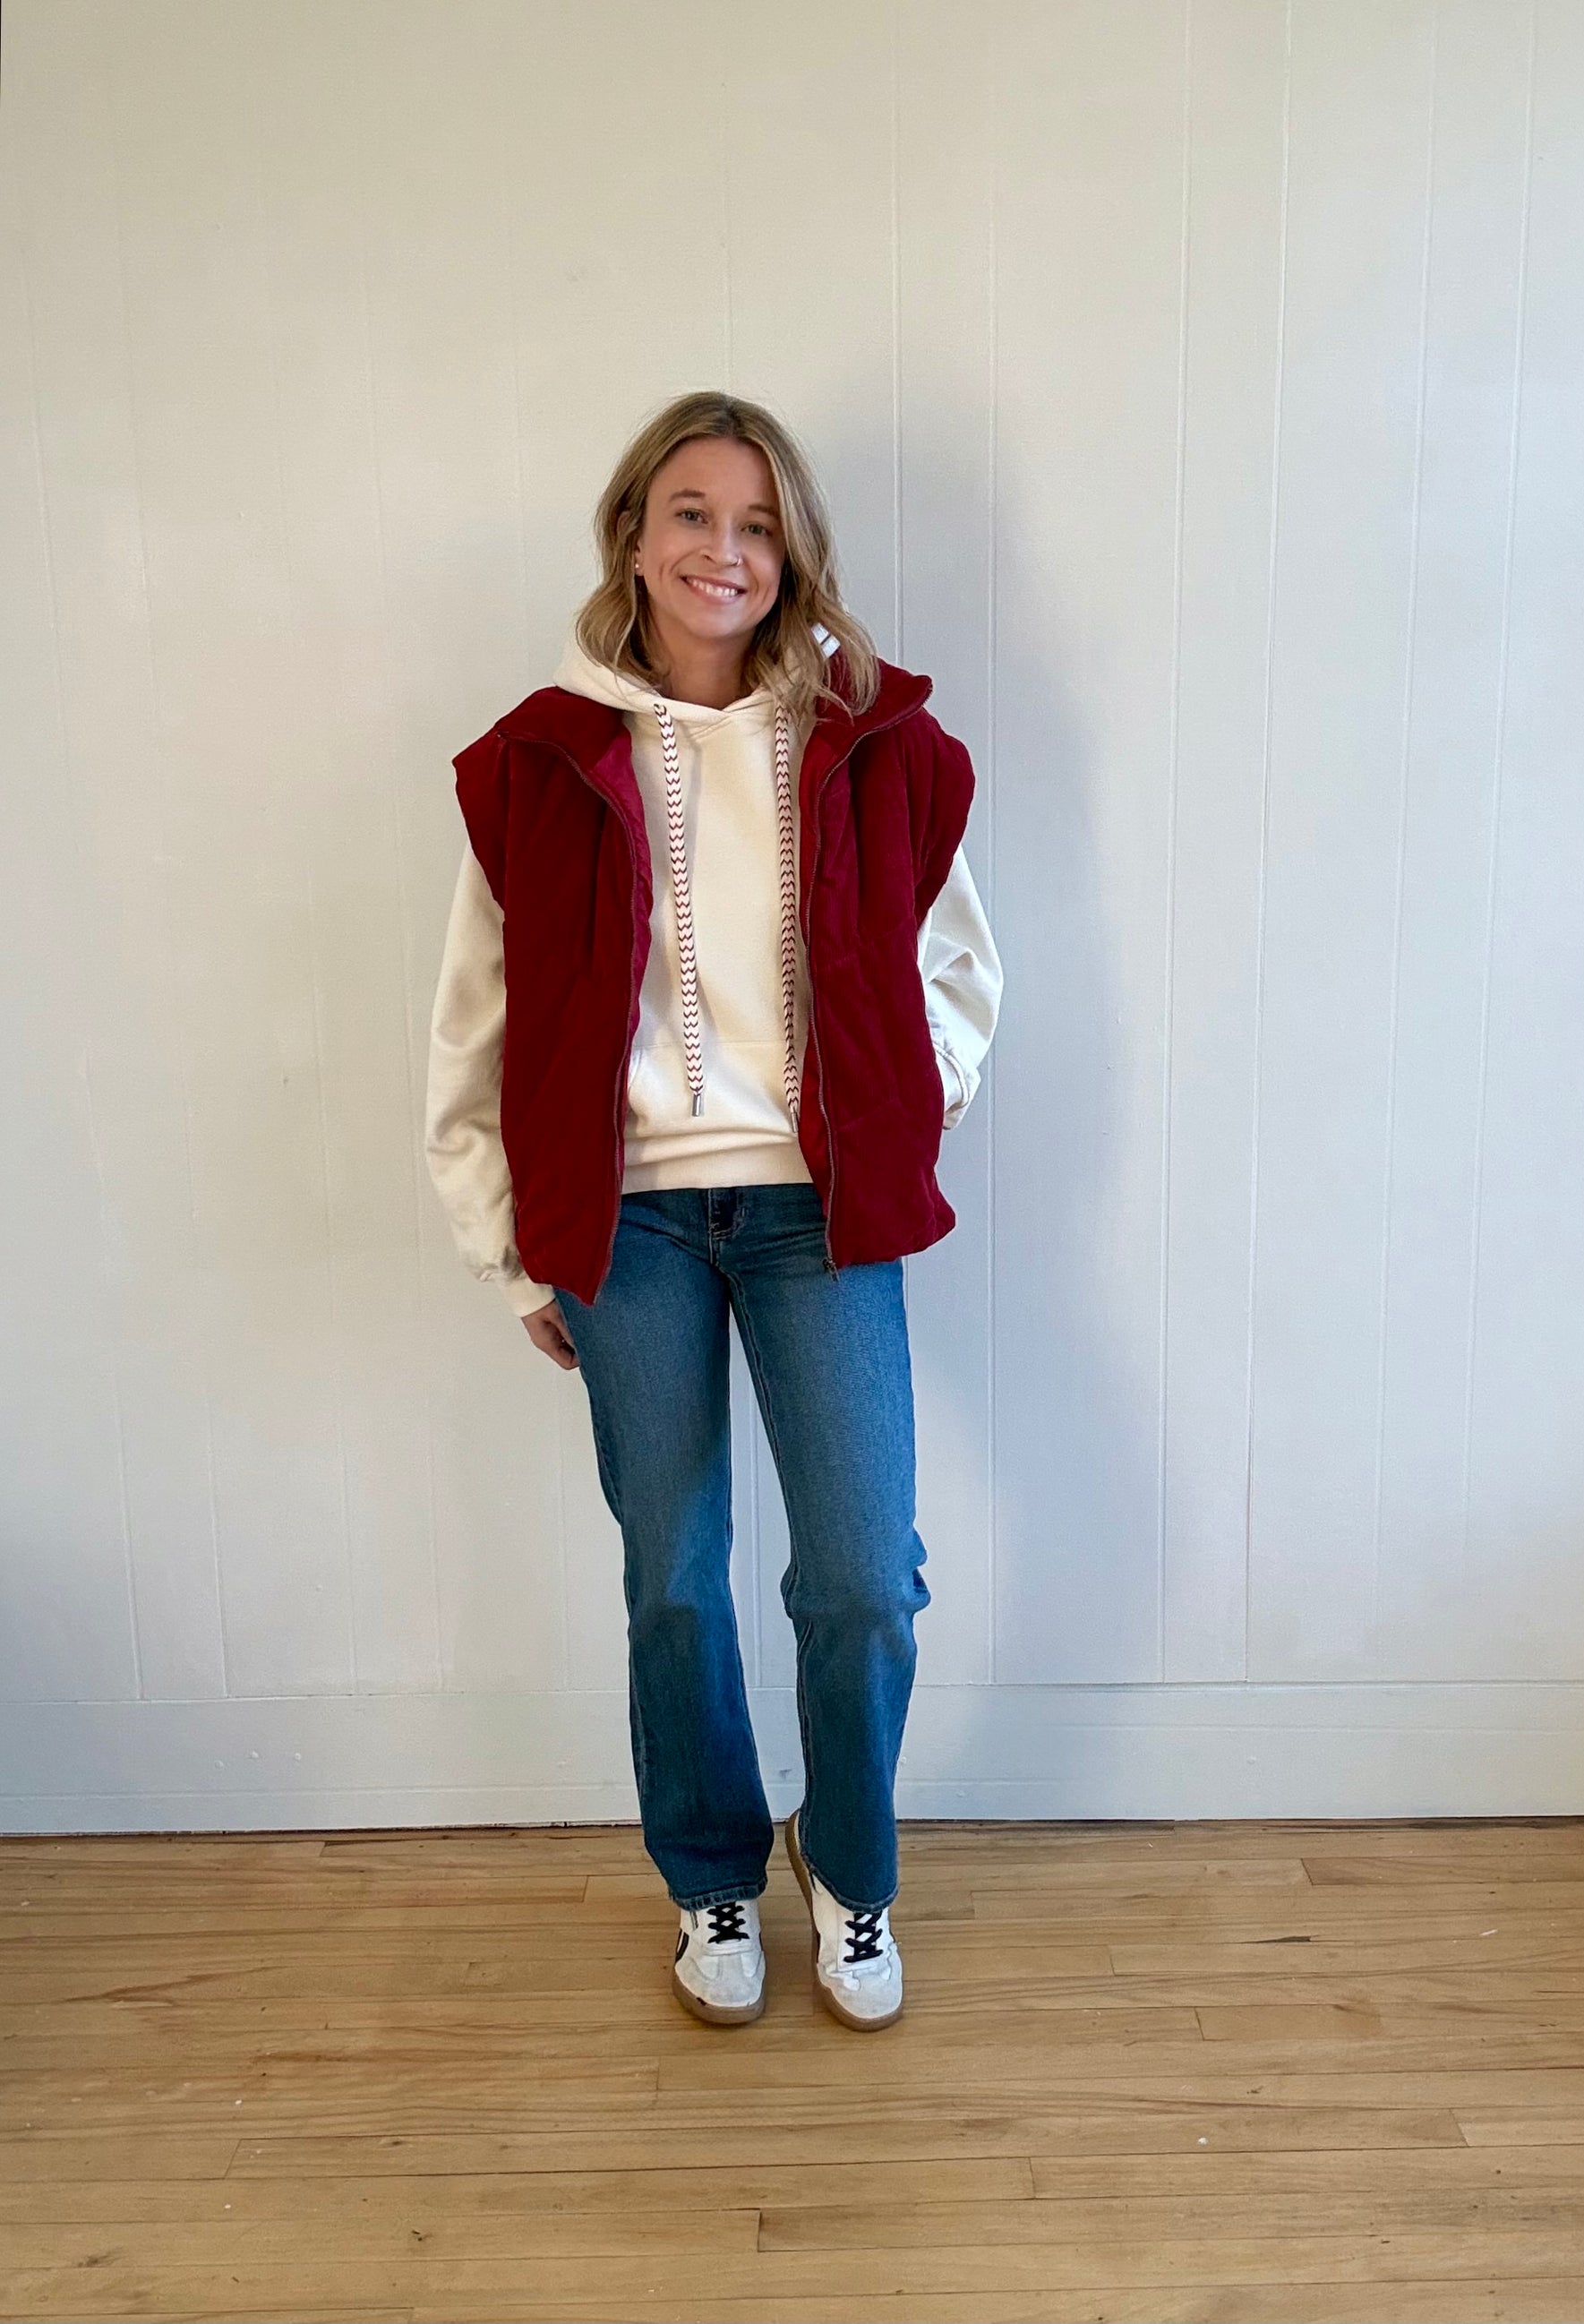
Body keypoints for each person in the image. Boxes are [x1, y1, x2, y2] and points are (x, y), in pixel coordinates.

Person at [424, 390, 1002, 2031]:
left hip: (822, 1212)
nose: (723, 551)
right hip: (633, 1226)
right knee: (673, 1576)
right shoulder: (538, 761)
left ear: (790, 553)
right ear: (632, 535)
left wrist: (900, 1109)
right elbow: (475, 1019)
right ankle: (708, 1877)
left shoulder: (876, 744)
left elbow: (960, 970)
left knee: (861, 1577)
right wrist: (506, 1239)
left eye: (757, 524)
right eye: (691, 514)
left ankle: (849, 1865)